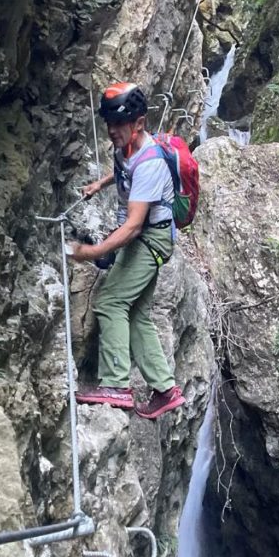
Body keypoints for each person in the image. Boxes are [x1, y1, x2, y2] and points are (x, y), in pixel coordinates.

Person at [69, 82, 185, 419]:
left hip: (149, 240)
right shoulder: (129, 149)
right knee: (135, 313)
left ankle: (116, 385)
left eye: (120, 124)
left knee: (110, 303)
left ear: (139, 123)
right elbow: (122, 168)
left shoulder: (149, 163)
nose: (112, 131)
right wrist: (100, 184)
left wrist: (92, 252)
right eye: (109, 123)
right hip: (153, 237)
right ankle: (165, 390)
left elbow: (134, 225)